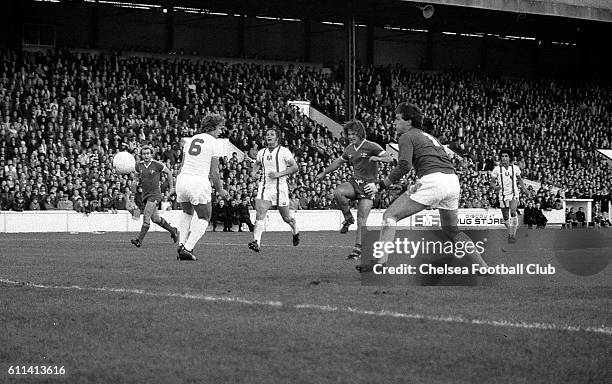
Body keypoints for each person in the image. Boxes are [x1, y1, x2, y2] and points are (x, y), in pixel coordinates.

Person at [362, 102, 489, 273]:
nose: (394, 122)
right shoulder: (429, 137)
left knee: (390, 215)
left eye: (398, 119)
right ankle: (482, 267)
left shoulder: (406, 136)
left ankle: (381, 262)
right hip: (452, 180)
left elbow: (405, 165)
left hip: (432, 180)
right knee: (452, 230)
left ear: (409, 122)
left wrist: (382, 185)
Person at [315, 120, 393, 259]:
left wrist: (377, 158)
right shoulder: (350, 148)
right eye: (349, 134)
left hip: (369, 187)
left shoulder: (371, 146)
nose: (351, 136)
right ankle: (347, 217)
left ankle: (357, 249)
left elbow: (389, 158)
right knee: (338, 192)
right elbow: (338, 162)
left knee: (362, 219)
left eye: (353, 133)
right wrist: (324, 173)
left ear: (360, 133)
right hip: (354, 183)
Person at [175, 114, 229, 260]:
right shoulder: (214, 143)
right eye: (219, 128)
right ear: (212, 127)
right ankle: (188, 248)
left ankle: (181, 244)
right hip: (198, 181)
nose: (220, 132)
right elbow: (214, 172)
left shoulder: (191, 139)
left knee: (187, 213)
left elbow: (182, 165)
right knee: (205, 217)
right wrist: (220, 190)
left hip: (182, 179)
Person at [248, 128, 300, 252]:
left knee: (286, 218)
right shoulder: (262, 152)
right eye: (267, 134)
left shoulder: (284, 151)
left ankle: (295, 230)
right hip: (265, 187)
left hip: (280, 188)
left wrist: (278, 174)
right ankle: (256, 242)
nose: (268, 136)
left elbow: (295, 167)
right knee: (259, 215)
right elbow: (257, 163)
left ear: (277, 138)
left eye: (272, 134)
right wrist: (253, 172)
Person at [130, 145, 179, 248]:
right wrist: (134, 181)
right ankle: (173, 230)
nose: (146, 155)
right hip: (145, 195)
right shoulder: (139, 165)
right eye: (144, 154)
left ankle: (139, 240)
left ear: (151, 154)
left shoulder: (157, 165)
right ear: (141, 155)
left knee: (146, 217)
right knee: (156, 219)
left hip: (155, 194)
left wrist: (171, 188)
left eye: (148, 153)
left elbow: (169, 173)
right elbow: (137, 175)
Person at [490, 149, 525, 243]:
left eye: (506, 156)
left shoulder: (515, 168)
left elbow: (520, 180)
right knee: (506, 217)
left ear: (510, 158)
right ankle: (510, 233)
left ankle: (512, 236)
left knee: (513, 212)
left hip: (513, 193)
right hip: (502, 195)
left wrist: (524, 189)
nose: (504, 158)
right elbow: (492, 183)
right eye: (503, 156)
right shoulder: (497, 169)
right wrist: (496, 187)